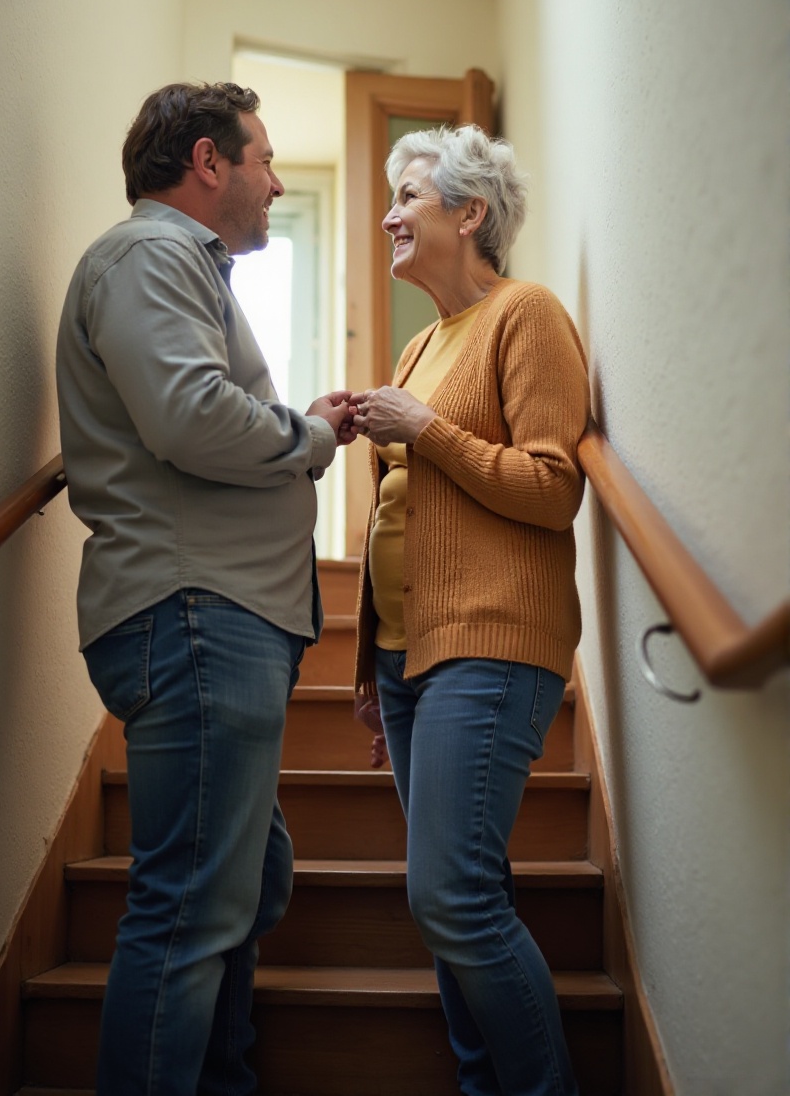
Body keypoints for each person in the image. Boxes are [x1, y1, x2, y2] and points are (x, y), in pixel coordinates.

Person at [56, 82, 355, 1096]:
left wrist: (289, 425)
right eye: (263, 158)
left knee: (244, 883)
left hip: (216, 618)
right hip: (195, 615)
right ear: (206, 159)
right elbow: (188, 417)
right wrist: (310, 438)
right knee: (187, 909)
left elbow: (194, 410)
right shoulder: (152, 254)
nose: (275, 182)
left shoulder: (179, 267)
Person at [350, 123, 590, 1096]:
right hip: (415, 661)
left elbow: (551, 487)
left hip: (492, 646)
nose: (388, 214)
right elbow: (402, 519)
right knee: (458, 899)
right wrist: (374, 665)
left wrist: (426, 431)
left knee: (450, 897)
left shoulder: (526, 315)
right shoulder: (417, 346)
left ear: (470, 212)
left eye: (408, 196)